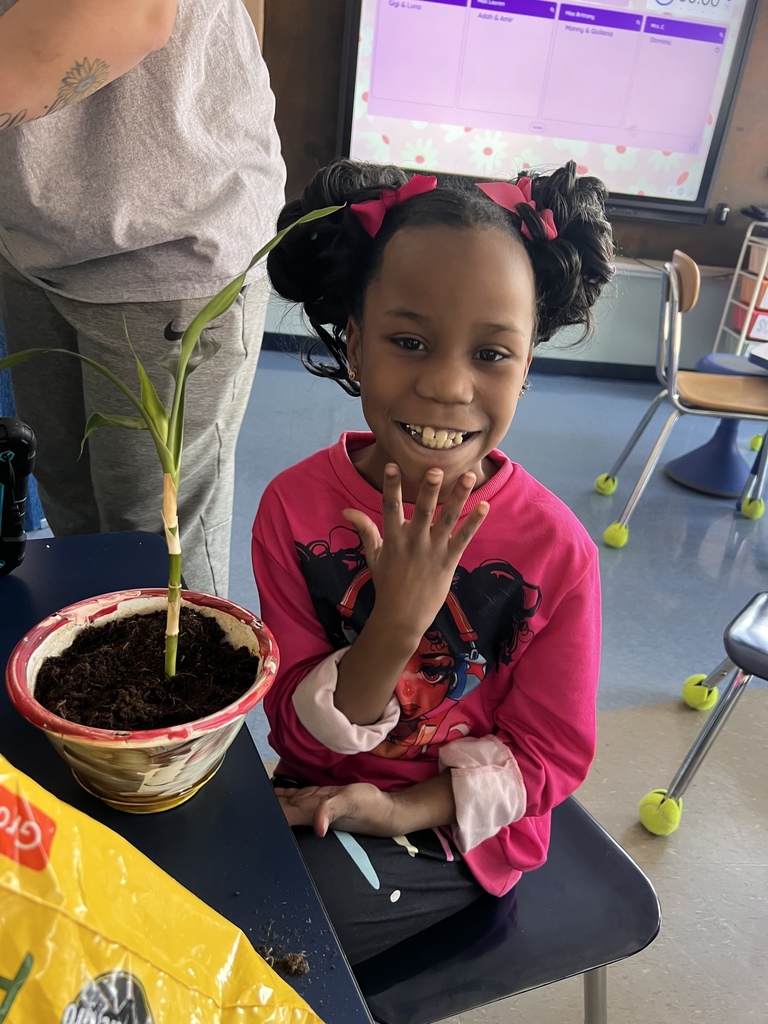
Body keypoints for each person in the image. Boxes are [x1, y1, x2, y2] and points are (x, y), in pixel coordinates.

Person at [251, 158, 614, 965]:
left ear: (528, 365)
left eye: (492, 354)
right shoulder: (294, 508)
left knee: (272, 949)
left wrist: (400, 810)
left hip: (453, 831)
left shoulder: (557, 553)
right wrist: (398, 625)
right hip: (313, 789)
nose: (449, 385)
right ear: (354, 339)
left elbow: (551, 758)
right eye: (409, 341)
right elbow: (297, 732)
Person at [0, 0, 285, 596]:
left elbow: (133, 12)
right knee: (67, 501)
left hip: (171, 242)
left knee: (154, 547)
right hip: (32, 230)